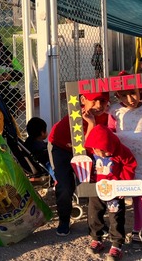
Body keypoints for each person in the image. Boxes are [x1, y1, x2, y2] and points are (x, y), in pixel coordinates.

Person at [48, 91, 110, 236]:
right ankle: (64, 220)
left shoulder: (108, 115)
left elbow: (91, 147)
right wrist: (91, 123)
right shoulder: (77, 114)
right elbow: (84, 146)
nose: (99, 105)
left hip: (88, 151)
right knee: (64, 185)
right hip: (61, 147)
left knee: (94, 185)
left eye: (103, 101)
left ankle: (96, 224)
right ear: (83, 99)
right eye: (93, 101)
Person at [108, 83, 142, 256]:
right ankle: (137, 230)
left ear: (140, 91)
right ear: (118, 96)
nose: (131, 99)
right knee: (132, 193)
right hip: (125, 162)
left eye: (134, 93)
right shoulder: (114, 111)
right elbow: (110, 135)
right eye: (125, 95)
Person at [85, 125, 137, 261]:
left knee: (116, 217)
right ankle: (97, 238)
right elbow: (85, 164)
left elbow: (130, 164)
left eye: (105, 152)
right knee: (94, 213)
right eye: (98, 151)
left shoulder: (120, 151)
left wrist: (123, 185)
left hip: (114, 189)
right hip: (96, 188)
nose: (102, 155)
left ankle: (117, 244)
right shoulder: (90, 152)